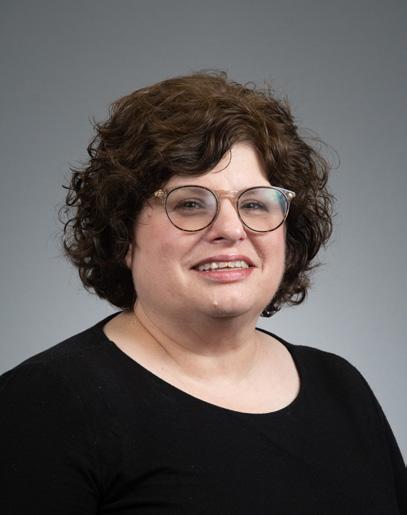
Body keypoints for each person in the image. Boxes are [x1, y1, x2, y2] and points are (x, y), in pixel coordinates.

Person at [1, 71, 406, 514]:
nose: (231, 229)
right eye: (191, 203)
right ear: (123, 234)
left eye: (254, 203)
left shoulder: (341, 388)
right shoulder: (44, 404)